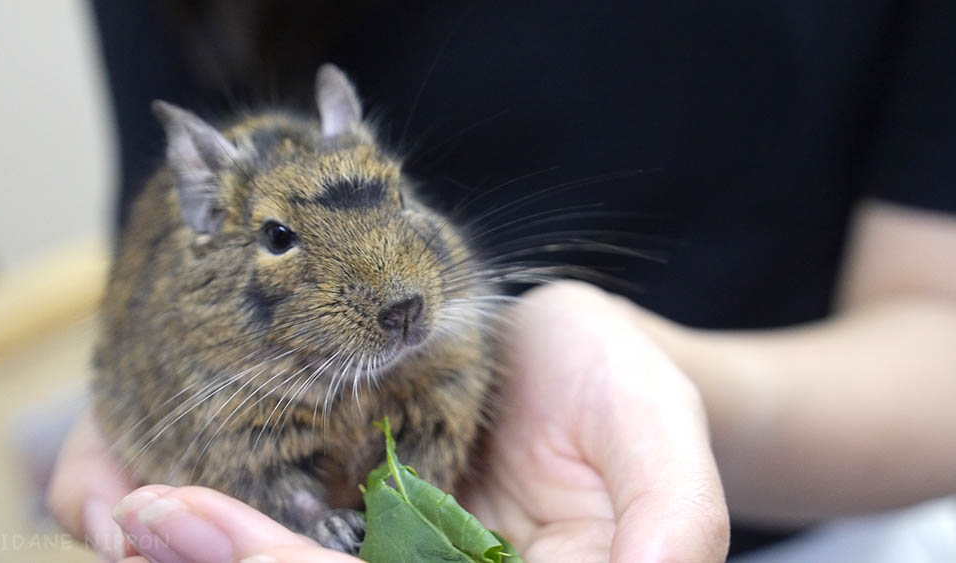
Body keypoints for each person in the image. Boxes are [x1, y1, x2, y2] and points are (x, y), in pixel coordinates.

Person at [49, 1, 956, 561]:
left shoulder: (438, 303)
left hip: (844, 529)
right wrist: (288, 502)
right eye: (288, 238)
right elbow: (140, 311)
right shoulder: (212, 312)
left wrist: (668, 387)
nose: (397, 298)